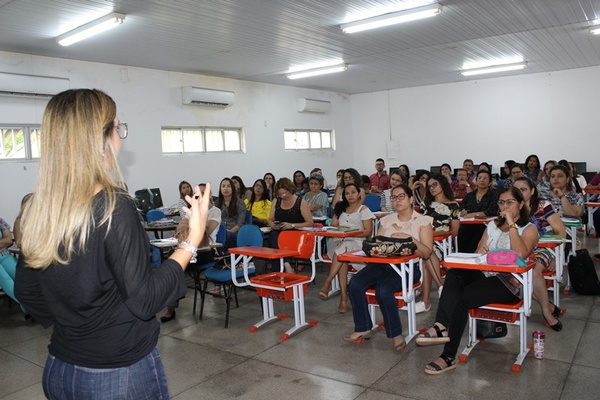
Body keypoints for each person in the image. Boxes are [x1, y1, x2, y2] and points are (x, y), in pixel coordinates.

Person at [14, 89, 211, 398]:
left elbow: (26, 291)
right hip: (117, 375)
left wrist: (77, 327)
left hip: (60, 368)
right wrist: (190, 242)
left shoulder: (39, 207)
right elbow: (145, 300)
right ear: (99, 138)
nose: (121, 137)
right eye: (118, 127)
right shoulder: (113, 206)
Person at [420, 186, 538, 375]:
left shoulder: (529, 228)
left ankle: (448, 356)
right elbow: (478, 253)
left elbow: (521, 254)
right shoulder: (492, 225)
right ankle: (441, 325)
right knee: (453, 274)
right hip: (485, 274)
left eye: (510, 202)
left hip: (509, 283)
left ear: (521, 204)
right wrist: (480, 253)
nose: (505, 206)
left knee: (462, 299)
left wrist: (511, 224)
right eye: (501, 202)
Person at [343, 184, 433, 351]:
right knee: (355, 283)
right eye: (394, 197)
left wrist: (409, 239)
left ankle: (396, 334)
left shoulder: (423, 221)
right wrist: (376, 246)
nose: (397, 201)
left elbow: (427, 253)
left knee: (383, 290)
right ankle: (363, 327)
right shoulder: (387, 220)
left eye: (401, 197)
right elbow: (376, 243)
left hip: (407, 268)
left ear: (411, 199)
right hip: (383, 264)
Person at [161, 185, 221, 322]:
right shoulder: (192, 210)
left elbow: (205, 232)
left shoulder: (215, 211)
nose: (200, 196)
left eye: (204, 193)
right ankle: (171, 305)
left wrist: (191, 227)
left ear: (210, 195)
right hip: (190, 250)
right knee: (171, 264)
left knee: (176, 265)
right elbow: (181, 227)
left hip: (206, 251)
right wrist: (189, 226)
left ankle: (172, 300)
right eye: (197, 194)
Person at [513, 177, 566, 330]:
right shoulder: (513, 207)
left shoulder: (543, 205)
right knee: (513, 275)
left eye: (523, 189)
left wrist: (558, 255)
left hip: (544, 248)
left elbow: (561, 231)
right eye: (517, 190)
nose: (519, 193)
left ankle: (546, 312)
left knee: (533, 269)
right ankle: (548, 305)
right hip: (522, 249)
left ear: (533, 191)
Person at [318, 183, 374, 313]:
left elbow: (368, 232)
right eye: (347, 193)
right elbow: (333, 225)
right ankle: (343, 298)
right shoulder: (340, 208)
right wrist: (342, 231)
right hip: (339, 242)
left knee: (344, 250)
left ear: (359, 194)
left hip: (357, 243)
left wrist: (352, 232)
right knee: (342, 253)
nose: (350, 195)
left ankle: (328, 284)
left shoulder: (363, 209)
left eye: (353, 192)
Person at [416, 174, 460, 312]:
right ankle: (441, 285)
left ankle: (426, 301)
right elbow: (419, 225)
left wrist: (433, 234)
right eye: (429, 187)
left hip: (443, 243)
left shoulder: (453, 205)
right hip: (425, 241)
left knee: (426, 256)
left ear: (442, 184)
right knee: (425, 255)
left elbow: (454, 231)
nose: (431, 188)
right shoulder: (425, 204)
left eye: (434, 185)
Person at [267, 178, 313, 272]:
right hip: (280, 231)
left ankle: (283, 267)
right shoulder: (276, 201)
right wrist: (272, 224)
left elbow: (310, 223)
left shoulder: (300, 202)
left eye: (285, 193)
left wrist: (292, 225)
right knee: (273, 236)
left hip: (295, 232)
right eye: (280, 194)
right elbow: (270, 219)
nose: (283, 196)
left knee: (277, 239)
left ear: (290, 190)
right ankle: (286, 264)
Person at [457, 170, 498, 252]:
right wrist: (462, 212)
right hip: (468, 225)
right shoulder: (469, 196)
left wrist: (473, 215)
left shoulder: (494, 195)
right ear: (476, 181)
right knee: (462, 232)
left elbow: (491, 211)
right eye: (480, 178)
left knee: (478, 234)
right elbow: (462, 208)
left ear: (490, 182)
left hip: (485, 226)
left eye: (485, 178)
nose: (482, 180)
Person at [0, 216, 23, 313]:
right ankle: (26, 305)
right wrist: (2, 242)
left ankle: (30, 304)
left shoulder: (0, 221)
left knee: (20, 274)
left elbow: (8, 240)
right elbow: (5, 240)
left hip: (4, 255)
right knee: (5, 278)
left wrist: (4, 241)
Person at [216, 177, 247, 249]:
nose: (226, 188)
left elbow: (240, 224)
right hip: (220, 231)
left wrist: (228, 232)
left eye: (228, 186)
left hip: (234, 232)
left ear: (232, 188)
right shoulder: (217, 203)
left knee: (226, 236)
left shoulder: (239, 203)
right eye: (223, 186)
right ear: (220, 190)